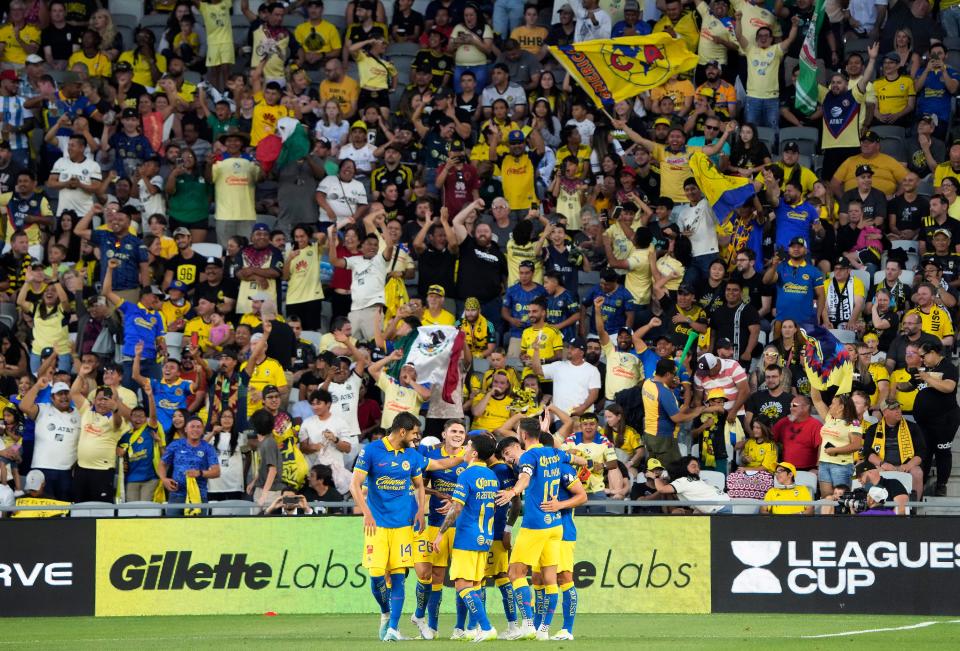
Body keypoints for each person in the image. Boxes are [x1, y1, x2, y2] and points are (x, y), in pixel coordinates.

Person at [493, 418, 585, 641]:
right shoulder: (555, 454)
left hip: (537, 524)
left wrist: (513, 492)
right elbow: (580, 459)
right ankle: (542, 629)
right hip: (555, 525)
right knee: (544, 578)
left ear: (523, 436)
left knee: (515, 573)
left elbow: (524, 477)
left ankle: (530, 625)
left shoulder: (530, 457)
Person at [431, 433, 499, 642]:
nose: (465, 449)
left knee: (461, 584)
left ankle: (486, 627)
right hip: (485, 537)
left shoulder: (467, 475)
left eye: (468, 446)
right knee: (475, 584)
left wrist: (441, 533)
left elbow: (458, 507)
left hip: (467, 537)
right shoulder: (491, 477)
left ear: (475, 453)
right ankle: (471, 629)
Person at [912, 341, 960, 496]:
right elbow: (910, 385)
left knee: (942, 452)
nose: (921, 359)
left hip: (945, 420)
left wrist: (927, 377)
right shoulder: (925, 369)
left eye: (923, 355)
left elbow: (948, 387)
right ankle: (921, 482)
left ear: (933, 352)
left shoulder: (948, 367)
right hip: (925, 421)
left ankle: (941, 485)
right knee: (924, 452)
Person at [809, 387, 862, 512]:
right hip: (824, 464)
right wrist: (814, 381)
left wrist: (835, 450)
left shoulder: (853, 423)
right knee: (827, 498)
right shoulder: (829, 418)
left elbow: (856, 445)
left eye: (833, 403)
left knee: (842, 501)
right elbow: (816, 400)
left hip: (841, 466)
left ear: (841, 407)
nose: (830, 405)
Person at [861, 398, 925, 500]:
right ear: (885, 412)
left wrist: (908, 465)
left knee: (917, 471)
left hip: (906, 465)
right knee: (870, 470)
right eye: (894, 409)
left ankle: (914, 506)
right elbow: (868, 452)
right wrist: (883, 464)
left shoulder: (913, 427)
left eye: (898, 407)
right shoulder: (873, 429)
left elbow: (921, 451)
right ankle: (875, 503)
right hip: (882, 465)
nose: (898, 410)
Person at [158, 414, 220, 516]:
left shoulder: (208, 448)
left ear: (202, 430)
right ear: (186, 429)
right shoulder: (175, 445)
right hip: (176, 494)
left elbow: (216, 472)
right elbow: (162, 464)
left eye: (198, 427)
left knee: (198, 529)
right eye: (192, 426)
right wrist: (164, 479)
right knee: (173, 527)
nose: (195, 429)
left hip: (199, 496)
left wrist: (199, 473)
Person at [653, 455, 732, 514]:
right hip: (729, 505)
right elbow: (699, 508)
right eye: (693, 466)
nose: (697, 469)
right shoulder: (687, 481)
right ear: (684, 467)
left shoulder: (685, 481)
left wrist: (655, 476)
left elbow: (661, 489)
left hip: (723, 508)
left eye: (698, 467)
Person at [772, 396, 822, 472]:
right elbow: (769, 439)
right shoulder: (783, 422)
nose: (791, 408)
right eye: (790, 405)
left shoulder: (816, 424)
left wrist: (818, 468)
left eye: (794, 405)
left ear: (806, 408)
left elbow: (821, 448)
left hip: (808, 470)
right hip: (786, 469)